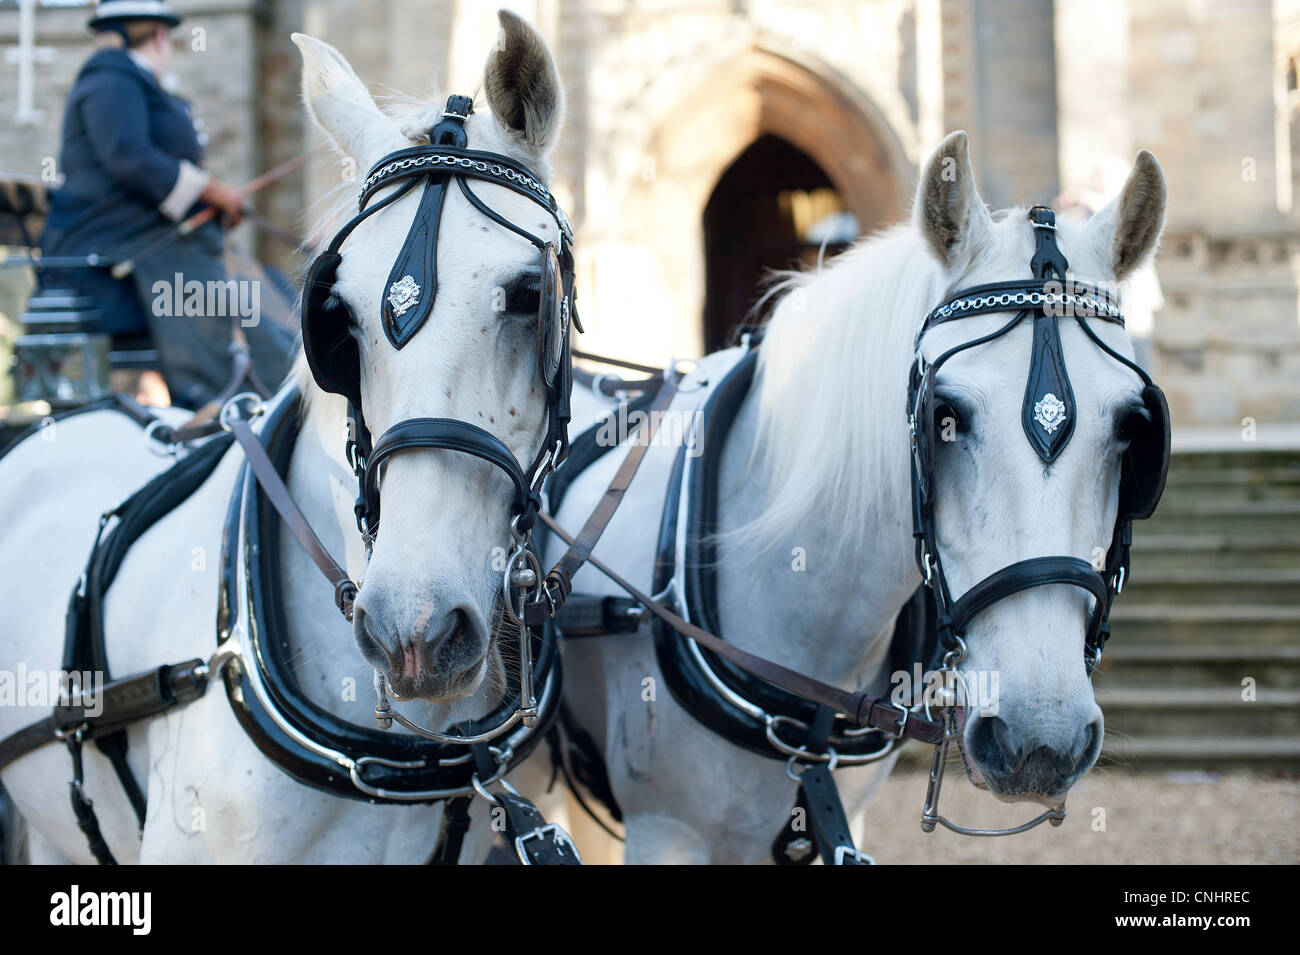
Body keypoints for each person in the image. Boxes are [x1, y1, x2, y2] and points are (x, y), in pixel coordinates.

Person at [37, 0, 292, 409]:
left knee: (272, 293)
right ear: (159, 36)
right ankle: (245, 405)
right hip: (119, 244)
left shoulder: (130, 80)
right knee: (240, 308)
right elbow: (128, 157)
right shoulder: (111, 80)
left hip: (158, 237)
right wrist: (211, 190)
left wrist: (210, 199)